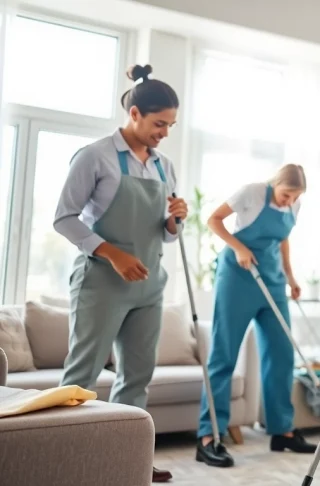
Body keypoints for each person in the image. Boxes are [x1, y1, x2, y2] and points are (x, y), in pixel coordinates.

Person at [53, 64, 184, 483]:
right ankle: (64, 461)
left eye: (170, 125)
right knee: (82, 375)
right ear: (135, 115)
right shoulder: (95, 156)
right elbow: (64, 219)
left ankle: (129, 461)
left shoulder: (165, 166)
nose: (164, 133)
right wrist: (112, 253)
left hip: (149, 286)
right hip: (101, 282)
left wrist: (174, 221)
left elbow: (164, 236)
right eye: (159, 123)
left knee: (137, 377)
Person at [195, 164, 317, 468]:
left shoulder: (294, 206)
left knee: (281, 353)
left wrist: (291, 277)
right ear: (276, 184)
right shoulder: (252, 193)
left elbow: (283, 239)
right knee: (224, 354)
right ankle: (210, 436)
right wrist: (238, 247)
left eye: (295, 197)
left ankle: (282, 431)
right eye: (286, 194)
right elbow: (214, 220)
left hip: (272, 281)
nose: (289, 201)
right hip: (238, 278)